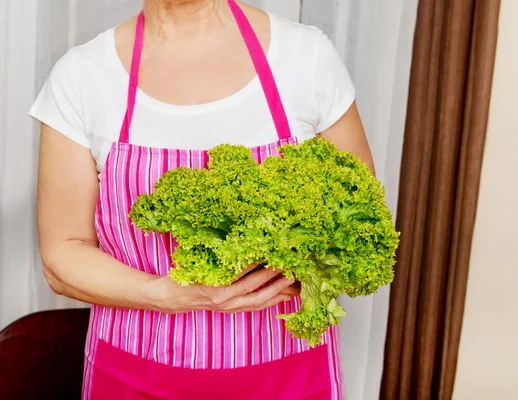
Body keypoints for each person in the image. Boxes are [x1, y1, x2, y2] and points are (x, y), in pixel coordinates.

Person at [30, 0, 375, 399]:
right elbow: (63, 255)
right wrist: (167, 294)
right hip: (133, 373)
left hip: (290, 373)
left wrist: (300, 259)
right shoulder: (81, 77)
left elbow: (360, 223)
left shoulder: (305, 57)